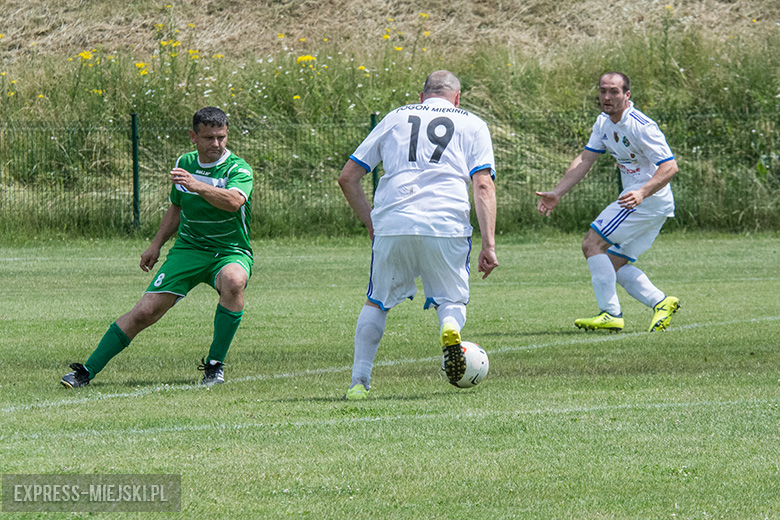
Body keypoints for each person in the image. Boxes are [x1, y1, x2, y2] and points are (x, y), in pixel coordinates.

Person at [61, 106, 254, 388]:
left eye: (222, 137)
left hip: (230, 251)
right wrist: (155, 245)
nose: (216, 144)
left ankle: (214, 366)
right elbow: (176, 207)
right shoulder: (185, 163)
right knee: (144, 312)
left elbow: (234, 202)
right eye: (209, 138)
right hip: (188, 250)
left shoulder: (238, 168)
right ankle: (86, 371)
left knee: (234, 281)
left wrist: (197, 185)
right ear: (193, 136)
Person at [338, 70, 498, 400]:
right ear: (457, 97)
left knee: (377, 300)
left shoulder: (396, 117)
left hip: (394, 219)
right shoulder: (472, 123)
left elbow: (348, 177)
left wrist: (371, 222)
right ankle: (449, 328)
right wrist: (489, 244)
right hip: (446, 222)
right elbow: (482, 185)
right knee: (451, 299)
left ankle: (358, 382)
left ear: (421, 95)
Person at [536, 72, 680, 333]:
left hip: (645, 200)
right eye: (603, 91)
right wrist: (557, 192)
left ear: (627, 95)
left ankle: (610, 313)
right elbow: (585, 160)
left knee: (592, 243)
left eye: (614, 91)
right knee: (612, 262)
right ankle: (661, 302)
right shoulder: (603, 123)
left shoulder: (641, 125)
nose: (607, 97)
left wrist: (642, 192)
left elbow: (670, 167)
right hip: (654, 204)